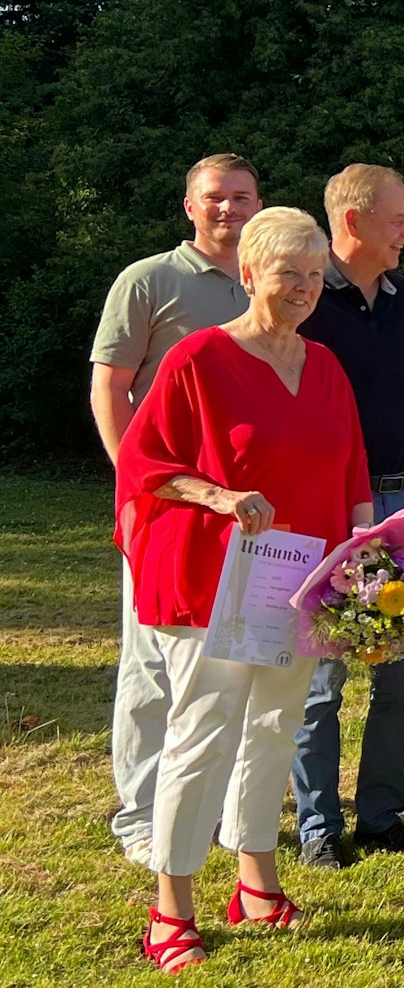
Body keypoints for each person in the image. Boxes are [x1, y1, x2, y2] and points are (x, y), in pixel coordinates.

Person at [114, 207, 372, 971]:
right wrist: (221, 497)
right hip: (213, 580)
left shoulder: (324, 365)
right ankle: (170, 909)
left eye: (314, 273)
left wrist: (366, 556)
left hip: (301, 578)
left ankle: (256, 883)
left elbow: (352, 470)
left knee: (274, 727)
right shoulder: (198, 358)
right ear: (250, 273)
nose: (304, 286)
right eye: (289, 271)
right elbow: (145, 463)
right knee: (205, 731)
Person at [89, 152, 264, 867]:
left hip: (246, 511)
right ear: (190, 206)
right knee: (152, 665)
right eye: (216, 197)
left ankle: (211, 807)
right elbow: (110, 387)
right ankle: (140, 815)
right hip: (165, 505)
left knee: (234, 660)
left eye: (242, 197)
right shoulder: (149, 280)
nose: (229, 208)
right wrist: (137, 480)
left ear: (259, 206)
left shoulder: (268, 280)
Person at [291, 163, 404, 866]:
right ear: (353, 220)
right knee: (321, 678)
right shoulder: (304, 297)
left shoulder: (403, 298)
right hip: (327, 510)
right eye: (400, 219)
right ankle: (318, 827)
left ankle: (381, 816)